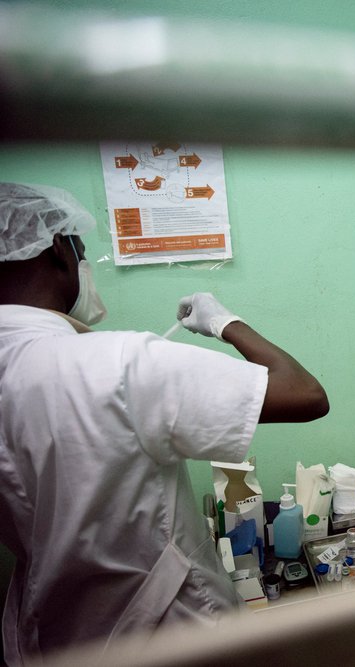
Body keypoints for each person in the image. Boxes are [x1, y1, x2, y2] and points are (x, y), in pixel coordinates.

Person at [0, 182, 329, 664]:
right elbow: (306, 394)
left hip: (50, 634)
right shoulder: (120, 363)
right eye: (82, 251)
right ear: (57, 249)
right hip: (170, 627)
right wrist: (225, 322)